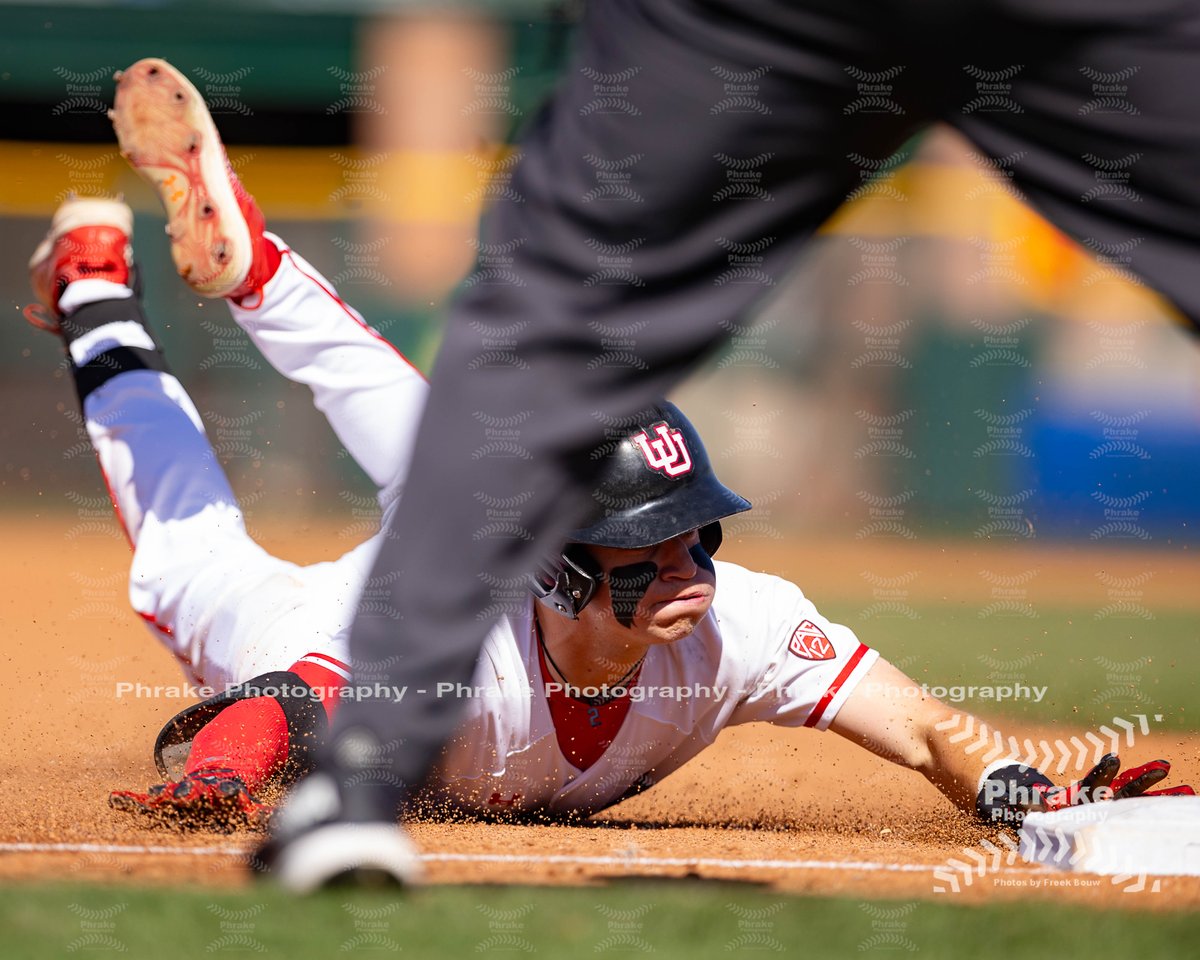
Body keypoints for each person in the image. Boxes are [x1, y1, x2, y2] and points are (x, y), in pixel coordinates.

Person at [27, 59, 1192, 892]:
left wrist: (1021, 793)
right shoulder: (435, 645)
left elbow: (930, 731)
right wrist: (216, 779)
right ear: (561, 569)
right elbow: (284, 709)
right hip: (304, 624)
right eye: (652, 544)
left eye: (697, 532)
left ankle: (253, 271)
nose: (689, 561)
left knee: (442, 432)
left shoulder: (733, 622)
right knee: (189, 553)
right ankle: (93, 295)